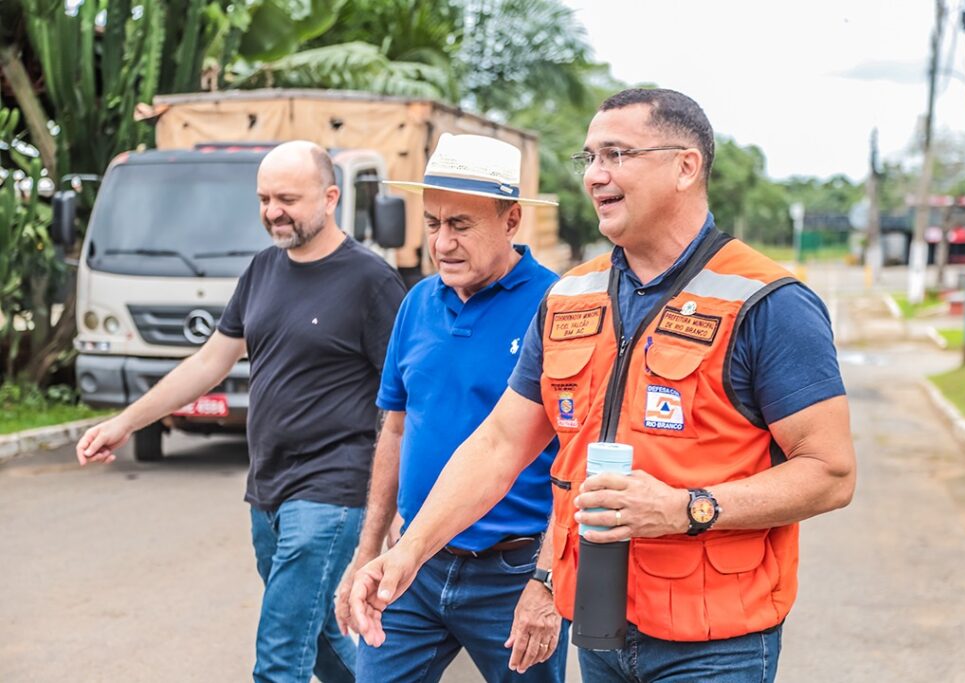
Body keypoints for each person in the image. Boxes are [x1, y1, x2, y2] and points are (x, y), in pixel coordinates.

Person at [349, 89, 857, 682]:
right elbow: (498, 446)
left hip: (716, 645)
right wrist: (406, 554)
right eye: (589, 158)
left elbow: (831, 472)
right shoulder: (568, 298)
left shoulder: (768, 303)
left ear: (685, 166)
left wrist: (684, 509)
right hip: (600, 631)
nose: (595, 176)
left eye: (616, 155)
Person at [75, 140, 406, 683]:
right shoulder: (261, 270)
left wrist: (395, 503)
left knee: (279, 657)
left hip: (332, 490)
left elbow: (404, 403)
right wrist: (124, 422)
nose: (272, 211)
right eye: (264, 198)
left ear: (330, 197)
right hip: (268, 488)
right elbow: (209, 362)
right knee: (316, 635)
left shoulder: (372, 282)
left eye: (287, 199)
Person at [333, 133, 569, 682]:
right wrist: (367, 551)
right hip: (414, 561)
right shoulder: (416, 302)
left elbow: (579, 454)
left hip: (510, 574)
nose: (442, 243)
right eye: (434, 223)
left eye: (461, 225)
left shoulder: (557, 308)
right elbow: (394, 431)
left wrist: (548, 580)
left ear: (512, 221)